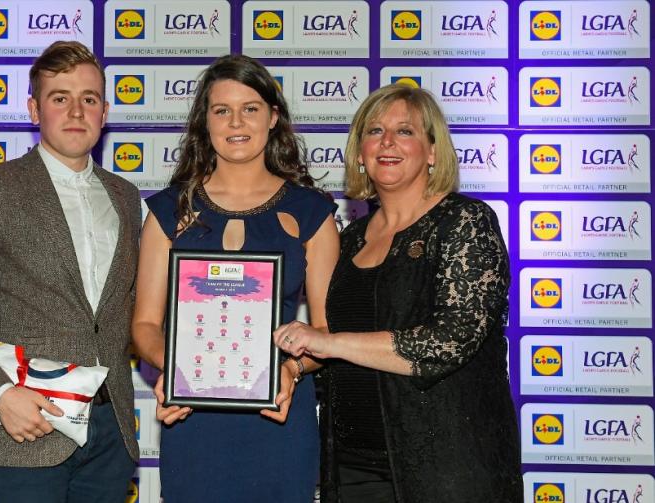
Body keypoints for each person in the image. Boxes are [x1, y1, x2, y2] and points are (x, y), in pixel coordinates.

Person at [274, 84, 522, 502]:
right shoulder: (349, 239)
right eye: (375, 131)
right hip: (351, 467)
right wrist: (293, 367)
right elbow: (332, 343)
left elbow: (449, 341)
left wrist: (330, 343)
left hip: (448, 470)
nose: (387, 141)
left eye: (405, 131)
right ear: (360, 153)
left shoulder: (465, 222)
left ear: (432, 152)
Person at [0, 41, 140, 503]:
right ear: (34, 110)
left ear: (104, 112)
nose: (76, 111)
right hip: (26, 430)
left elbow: (133, 310)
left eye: (89, 98)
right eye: (60, 98)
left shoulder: (124, 196)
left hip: (110, 433)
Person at [132, 54, 339, 503]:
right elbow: (145, 325)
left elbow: (327, 331)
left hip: (280, 411)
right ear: (204, 121)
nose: (236, 122)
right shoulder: (168, 211)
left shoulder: (312, 213)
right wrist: (179, 369)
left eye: (250, 108)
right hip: (194, 416)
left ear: (273, 117)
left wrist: (292, 368)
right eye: (221, 110)